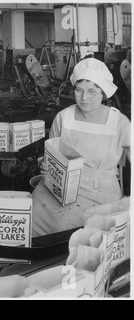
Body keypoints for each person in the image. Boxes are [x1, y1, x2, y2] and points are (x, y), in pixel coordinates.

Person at [32, 57, 131, 237]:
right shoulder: (63, 117)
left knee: (65, 227)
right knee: (28, 216)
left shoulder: (119, 123)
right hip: (59, 188)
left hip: (99, 193)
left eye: (92, 92)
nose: (84, 98)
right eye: (79, 90)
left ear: (103, 92)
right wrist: (44, 165)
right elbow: (51, 156)